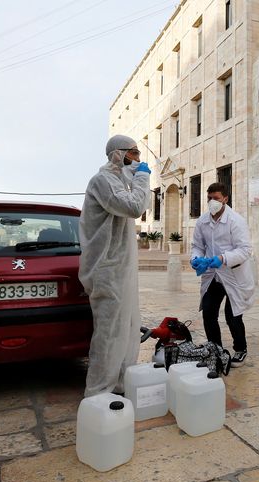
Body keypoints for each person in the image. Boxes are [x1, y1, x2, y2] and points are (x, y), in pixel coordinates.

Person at [79, 134, 151, 397]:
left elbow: (137, 202)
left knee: (129, 329)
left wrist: (136, 178)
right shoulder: (102, 181)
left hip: (122, 271)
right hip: (107, 269)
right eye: (134, 154)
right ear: (118, 155)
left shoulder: (121, 183)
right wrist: (142, 177)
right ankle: (98, 392)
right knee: (109, 333)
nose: (139, 160)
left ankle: (121, 384)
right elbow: (134, 207)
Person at [190, 182, 255, 367]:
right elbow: (197, 245)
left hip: (233, 275)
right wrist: (196, 258)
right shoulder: (202, 221)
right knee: (209, 312)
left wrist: (223, 258)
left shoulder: (236, 221)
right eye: (209, 198)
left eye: (216, 198)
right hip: (213, 274)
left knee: (232, 314)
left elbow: (245, 250)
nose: (212, 202)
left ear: (225, 199)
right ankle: (215, 349)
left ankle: (240, 349)